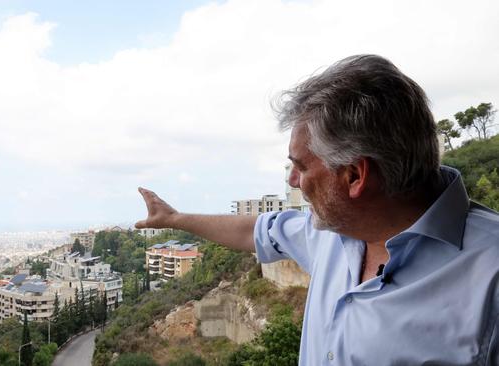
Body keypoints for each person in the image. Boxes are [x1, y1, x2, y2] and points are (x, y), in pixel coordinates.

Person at [135, 55, 499, 365]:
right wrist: (174, 219)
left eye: (302, 166)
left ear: (355, 175)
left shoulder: (490, 277)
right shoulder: (328, 233)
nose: (293, 181)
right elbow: (254, 230)